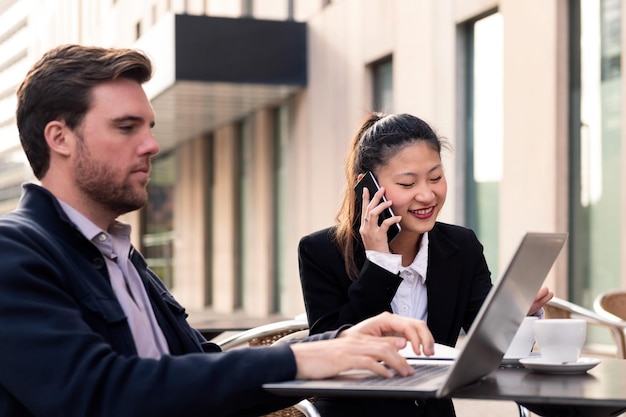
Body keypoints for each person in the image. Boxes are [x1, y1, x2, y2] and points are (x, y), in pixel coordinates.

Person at [0, 45, 438, 417]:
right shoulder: (14, 252)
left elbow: (204, 368)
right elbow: (99, 391)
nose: (151, 144)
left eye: (149, 127)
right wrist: (310, 357)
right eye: (126, 127)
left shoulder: (122, 256)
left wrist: (340, 341)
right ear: (60, 138)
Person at [298, 112, 554, 417]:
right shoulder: (321, 252)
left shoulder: (461, 247)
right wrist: (380, 265)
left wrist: (513, 313)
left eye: (435, 177)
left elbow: (487, 346)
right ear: (366, 187)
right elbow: (332, 354)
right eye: (407, 183)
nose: (427, 194)